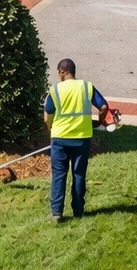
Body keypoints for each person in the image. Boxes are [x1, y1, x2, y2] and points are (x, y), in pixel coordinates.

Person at [44, 58, 109, 223]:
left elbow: (47, 114)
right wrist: (99, 122)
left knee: (59, 174)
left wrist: (51, 129)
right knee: (78, 174)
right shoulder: (86, 87)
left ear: (62, 71)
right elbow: (103, 106)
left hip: (60, 138)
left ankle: (57, 212)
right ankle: (78, 211)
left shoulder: (55, 90)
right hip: (82, 138)